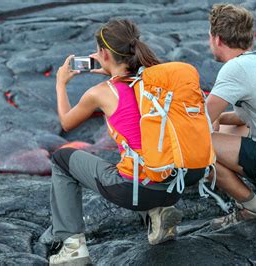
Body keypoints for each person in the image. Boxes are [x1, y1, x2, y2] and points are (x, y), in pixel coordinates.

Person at [47, 19, 208, 265]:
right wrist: (112, 69)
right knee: (142, 153)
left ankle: (72, 247)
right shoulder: (157, 81)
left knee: (61, 159)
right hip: (177, 183)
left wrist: (61, 84)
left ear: (102, 54)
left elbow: (67, 123)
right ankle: (159, 214)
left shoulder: (100, 93)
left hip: (138, 192)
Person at [205, 3, 256, 229]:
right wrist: (219, 119)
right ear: (250, 40)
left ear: (217, 39)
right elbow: (253, 115)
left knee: (195, 147)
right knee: (232, 129)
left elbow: (199, 121)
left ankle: (252, 208)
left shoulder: (235, 70)